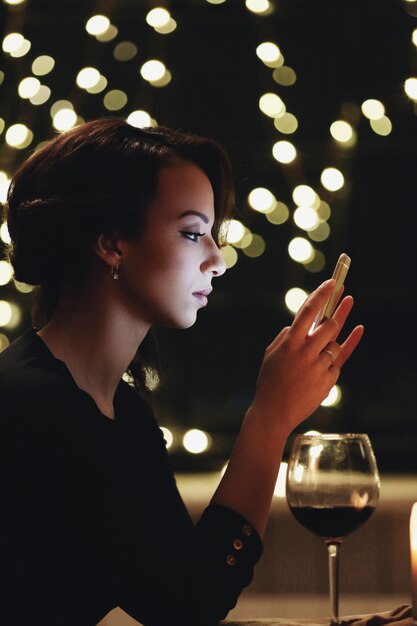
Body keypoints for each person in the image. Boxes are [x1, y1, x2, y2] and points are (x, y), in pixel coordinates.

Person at [0, 118, 363, 626]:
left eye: (213, 234)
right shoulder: (35, 407)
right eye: (193, 233)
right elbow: (187, 607)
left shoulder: (121, 412)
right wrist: (269, 419)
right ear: (111, 243)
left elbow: (183, 586)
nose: (217, 259)